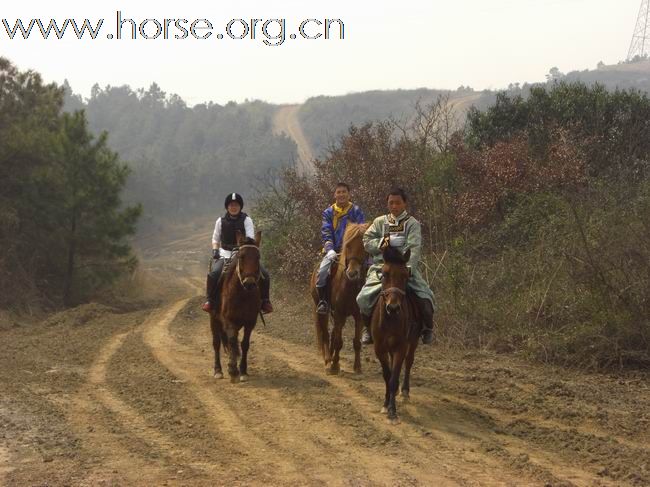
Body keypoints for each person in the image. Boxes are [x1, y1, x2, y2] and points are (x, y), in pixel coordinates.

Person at [356, 188, 435, 345]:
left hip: (404, 269)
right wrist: (386, 242)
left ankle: (427, 328)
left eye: (398, 202)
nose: (394, 206)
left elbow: (414, 247)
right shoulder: (379, 222)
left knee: (426, 297)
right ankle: (367, 329)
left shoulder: (412, 224)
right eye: (391, 203)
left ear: (404, 204)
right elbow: (366, 241)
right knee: (363, 298)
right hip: (381, 268)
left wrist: (409, 269)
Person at [202, 192, 273, 314]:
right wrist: (215, 250)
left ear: (240, 206)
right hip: (225, 254)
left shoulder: (247, 220)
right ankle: (210, 301)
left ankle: (265, 301)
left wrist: (242, 249)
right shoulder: (220, 221)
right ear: (227, 207)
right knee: (214, 273)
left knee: (265, 274)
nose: (233, 207)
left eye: (236, 205)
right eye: (231, 205)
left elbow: (250, 238)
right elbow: (215, 238)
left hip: (243, 254)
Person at [315, 182, 366, 314]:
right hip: (335, 251)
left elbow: (361, 230)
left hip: (354, 251)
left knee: (372, 269)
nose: (341, 194)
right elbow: (326, 231)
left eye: (344, 192)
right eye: (339, 192)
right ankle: (323, 301)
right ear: (334, 195)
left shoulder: (356, 210)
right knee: (322, 272)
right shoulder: (328, 212)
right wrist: (330, 249)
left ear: (349, 194)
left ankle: (370, 304)